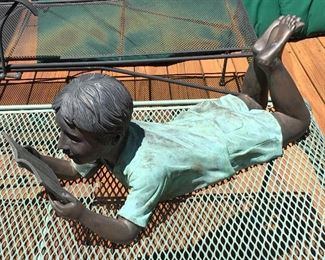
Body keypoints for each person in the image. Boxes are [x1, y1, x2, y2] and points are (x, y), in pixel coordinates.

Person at [25, 15, 310, 244]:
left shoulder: (147, 173)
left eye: (72, 137)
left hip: (226, 142)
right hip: (202, 124)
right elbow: (74, 168)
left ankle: (270, 64)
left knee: (296, 121)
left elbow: (126, 230)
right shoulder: (113, 136)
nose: (62, 143)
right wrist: (36, 159)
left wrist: (83, 215)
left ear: (110, 138)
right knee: (248, 100)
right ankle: (259, 57)